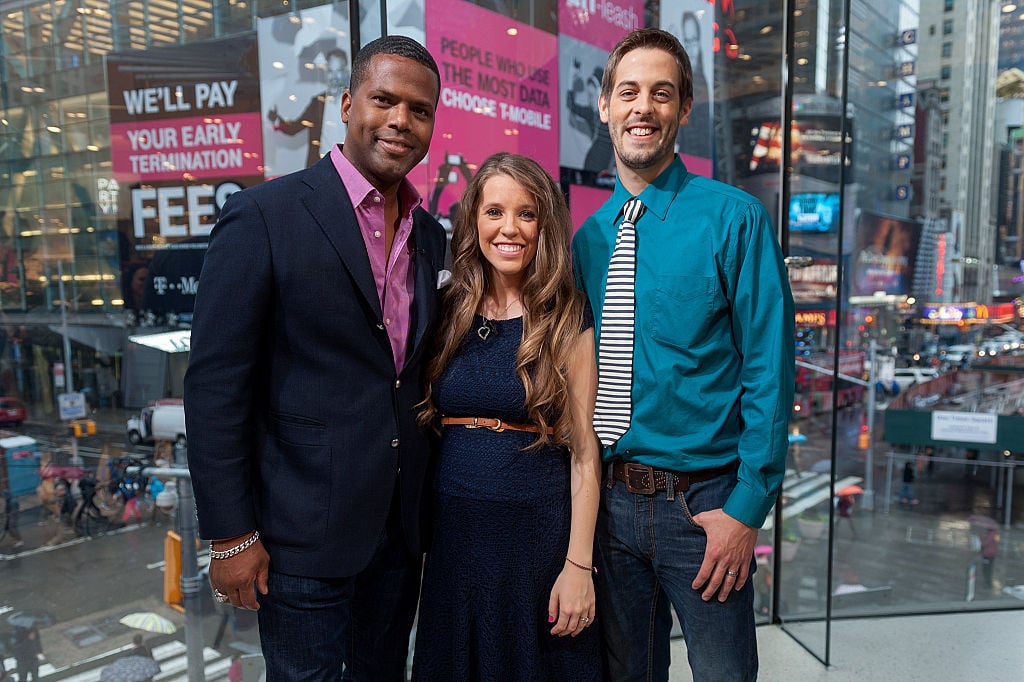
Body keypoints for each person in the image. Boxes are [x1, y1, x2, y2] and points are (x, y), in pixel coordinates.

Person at [184, 35, 447, 680]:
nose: (400, 121)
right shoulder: (263, 215)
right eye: (384, 100)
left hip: (398, 536)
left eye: (419, 110)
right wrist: (231, 534)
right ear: (347, 103)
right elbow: (216, 386)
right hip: (297, 539)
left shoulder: (431, 234)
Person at [571, 28, 795, 681]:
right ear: (605, 106)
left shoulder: (736, 220)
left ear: (684, 109)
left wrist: (746, 510)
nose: (643, 107)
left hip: (705, 508)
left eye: (661, 93)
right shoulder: (587, 239)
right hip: (610, 508)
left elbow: (770, 370)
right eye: (628, 92)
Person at [412, 153, 602, 680]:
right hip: (454, 540)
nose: (509, 228)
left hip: (536, 540)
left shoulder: (568, 314)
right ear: (474, 220)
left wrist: (578, 566)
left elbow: (585, 453)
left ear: (545, 225)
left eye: (527, 213)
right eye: (494, 211)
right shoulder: (447, 308)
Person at [268, 47, 350, 168]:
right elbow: (294, 128)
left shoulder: (354, 101)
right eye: (330, 71)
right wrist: (276, 119)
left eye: (338, 71)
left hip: (349, 165)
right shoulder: (317, 103)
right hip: (323, 167)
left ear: (345, 72)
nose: (333, 77)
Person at [674, 11, 711, 160]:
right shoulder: (678, 82)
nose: (691, 49)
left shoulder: (703, 83)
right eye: (687, 42)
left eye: (694, 41)